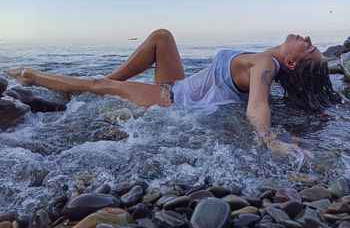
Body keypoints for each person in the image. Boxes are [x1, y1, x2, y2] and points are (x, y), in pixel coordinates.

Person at [4, 29, 341, 154]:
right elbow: (281, 72)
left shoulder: (268, 65)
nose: (309, 40)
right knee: (161, 37)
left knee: (100, 87)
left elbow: (257, 107)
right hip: (178, 85)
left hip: (172, 101)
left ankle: (31, 76)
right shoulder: (274, 59)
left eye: (309, 49)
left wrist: (268, 139)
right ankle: (97, 84)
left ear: (294, 64)